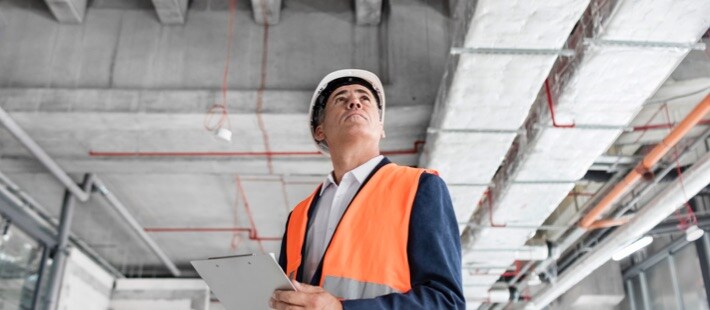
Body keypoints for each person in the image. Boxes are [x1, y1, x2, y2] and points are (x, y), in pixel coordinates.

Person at [270, 69, 464, 309]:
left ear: (381, 128)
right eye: (340, 99)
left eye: (365, 98)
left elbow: (446, 303)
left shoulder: (419, 187)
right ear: (320, 131)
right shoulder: (298, 216)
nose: (354, 102)